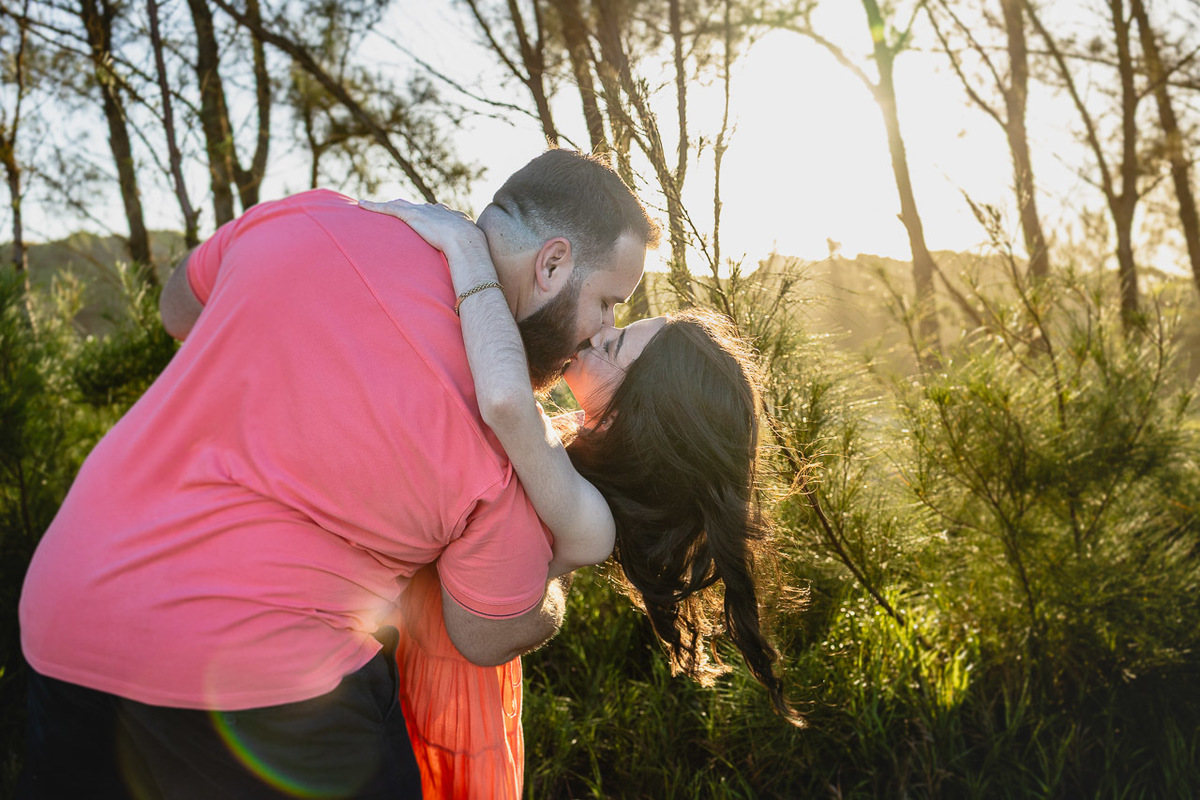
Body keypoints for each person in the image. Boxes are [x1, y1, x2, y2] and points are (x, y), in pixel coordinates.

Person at [17, 148, 658, 799]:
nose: (603, 329)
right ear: (551, 265)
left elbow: (176, 308)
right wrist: (551, 590)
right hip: (265, 692)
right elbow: (485, 634)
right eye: (608, 301)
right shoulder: (505, 446)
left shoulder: (313, 215)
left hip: (69, 611)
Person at [358, 199, 801, 798]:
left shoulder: (585, 506)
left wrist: (465, 249)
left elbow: (507, 402)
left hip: (450, 679)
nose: (600, 332)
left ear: (645, 417)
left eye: (616, 346)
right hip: (409, 636)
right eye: (615, 323)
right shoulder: (568, 451)